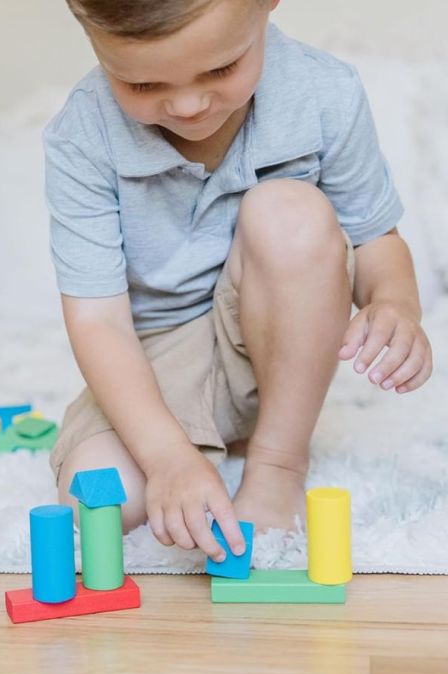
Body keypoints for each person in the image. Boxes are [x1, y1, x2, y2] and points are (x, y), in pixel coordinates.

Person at [46, 0, 431, 562]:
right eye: (142, 82)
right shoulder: (82, 134)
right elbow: (98, 321)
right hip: (158, 360)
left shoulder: (324, 91)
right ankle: (208, 441)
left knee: (290, 212)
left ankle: (276, 461)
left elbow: (377, 238)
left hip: (280, 349)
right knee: (98, 502)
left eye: (221, 70)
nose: (188, 105)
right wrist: (166, 458)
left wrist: (395, 303)